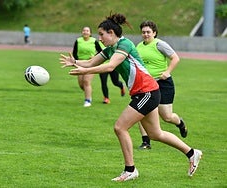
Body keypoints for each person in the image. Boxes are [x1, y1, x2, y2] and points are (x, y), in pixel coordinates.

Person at [60, 13, 202, 182]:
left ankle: (130, 170)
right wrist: (75, 61)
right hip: (145, 92)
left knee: (120, 127)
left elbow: (110, 67)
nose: (99, 38)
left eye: (102, 34)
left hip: (147, 92)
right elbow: (91, 62)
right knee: (156, 134)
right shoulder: (110, 49)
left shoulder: (124, 44)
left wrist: (84, 71)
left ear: (111, 32)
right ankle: (193, 153)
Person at [136, 21, 187, 150]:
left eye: (148, 32)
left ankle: (180, 123)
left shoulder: (160, 44)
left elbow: (175, 58)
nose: (146, 34)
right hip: (146, 84)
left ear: (154, 33)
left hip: (163, 84)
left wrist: (167, 72)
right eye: (143, 32)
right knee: (141, 111)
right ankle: (145, 141)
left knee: (167, 116)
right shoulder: (139, 47)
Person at [72, 26, 102, 107]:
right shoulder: (78, 41)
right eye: (84, 30)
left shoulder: (94, 41)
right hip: (81, 64)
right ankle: (88, 91)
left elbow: (101, 51)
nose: (85, 32)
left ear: (90, 33)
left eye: (87, 31)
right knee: (81, 84)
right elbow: (74, 53)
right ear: (82, 32)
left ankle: (87, 100)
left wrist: (95, 57)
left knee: (86, 81)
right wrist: (76, 62)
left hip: (91, 63)